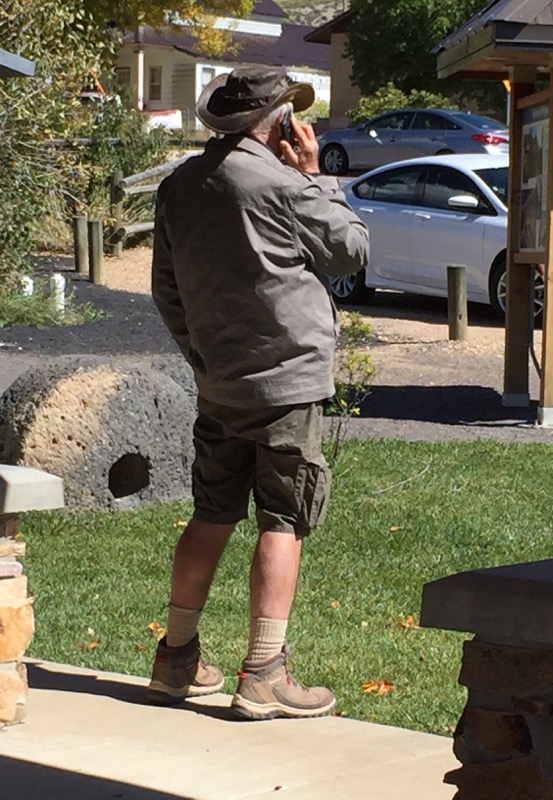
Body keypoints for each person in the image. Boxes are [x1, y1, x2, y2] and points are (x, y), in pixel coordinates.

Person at [148, 65, 369, 720]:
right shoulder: (282, 184)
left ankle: (176, 659)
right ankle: (265, 672)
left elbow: (166, 290)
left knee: (212, 513)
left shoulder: (180, 185)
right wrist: (316, 177)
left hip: (220, 383)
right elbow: (351, 250)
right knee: (283, 518)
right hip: (288, 384)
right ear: (282, 123)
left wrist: (203, 356)